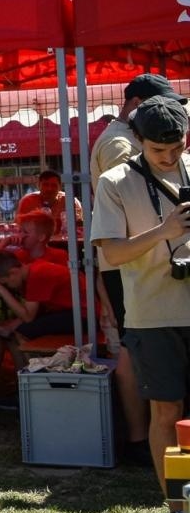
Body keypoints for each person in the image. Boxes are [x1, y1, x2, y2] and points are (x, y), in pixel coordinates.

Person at [92, 94, 190, 513]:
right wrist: (165, 232)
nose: (170, 158)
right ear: (138, 141)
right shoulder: (115, 181)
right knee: (166, 413)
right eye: (158, 152)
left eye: (177, 148)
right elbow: (109, 255)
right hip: (154, 316)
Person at [88, 74, 174, 465]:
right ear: (138, 105)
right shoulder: (120, 144)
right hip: (132, 260)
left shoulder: (118, 135)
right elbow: (140, 195)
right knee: (130, 346)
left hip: (144, 257)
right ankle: (139, 439)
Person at [0, 250, 85, 399]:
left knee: (17, 334)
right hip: (70, 311)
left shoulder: (37, 275)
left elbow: (28, 316)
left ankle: (26, 388)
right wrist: (12, 324)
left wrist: (1, 290)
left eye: (6, 283)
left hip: (81, 316)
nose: (9, 286)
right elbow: (33, 312)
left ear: (14, 272)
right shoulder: (35, 269)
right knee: (6, 330)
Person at [18, 169, 82, 234]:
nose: (49, 189)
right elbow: (19, 226)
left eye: (54, 185)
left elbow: (80, 226)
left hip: (66, 242)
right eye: (45, 185)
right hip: (36, 242)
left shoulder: (70, 200)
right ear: (38, 185)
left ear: (60, 187)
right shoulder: (28, 201)